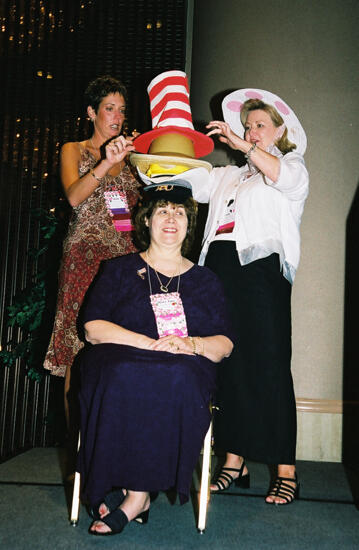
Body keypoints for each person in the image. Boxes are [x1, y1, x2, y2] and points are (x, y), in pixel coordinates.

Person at [77, 181, 234, 536]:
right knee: (122, 372)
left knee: (175, 377)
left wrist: (191, 343)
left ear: (189, 224)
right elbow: (93, 328)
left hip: (184, 363)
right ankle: (128, 489)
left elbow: (224, 344)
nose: (171, 218)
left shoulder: (206, 281)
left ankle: (137, 496)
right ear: (146, 220)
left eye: (179, 212)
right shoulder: (117, 270)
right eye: (162, 210)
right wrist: (148, 343)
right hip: (121, 356)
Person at [187, 88, 309, 505]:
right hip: (218, 269)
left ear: (280, 131)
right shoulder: (229, 175)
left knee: (271, 364)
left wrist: (247, 148)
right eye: (247, 126)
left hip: (260, 272)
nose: (251, 131)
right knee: (228, 363)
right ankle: (233, 461)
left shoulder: (291, 168)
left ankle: (285, 469)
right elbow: (185, 178)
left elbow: (285, 178)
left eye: (260, 125)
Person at [43, 76, 141, 433]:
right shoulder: (75, 149)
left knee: (120, 349)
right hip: (85, 259)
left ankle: (111, 446)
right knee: (78, 351)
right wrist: (104, 163)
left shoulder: (133, 162)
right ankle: (77, 456)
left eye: (122, 110)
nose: (116, 117)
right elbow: (73, 197)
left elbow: (131, 219)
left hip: (124, 262)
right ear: (91, 112)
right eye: (109, 109)